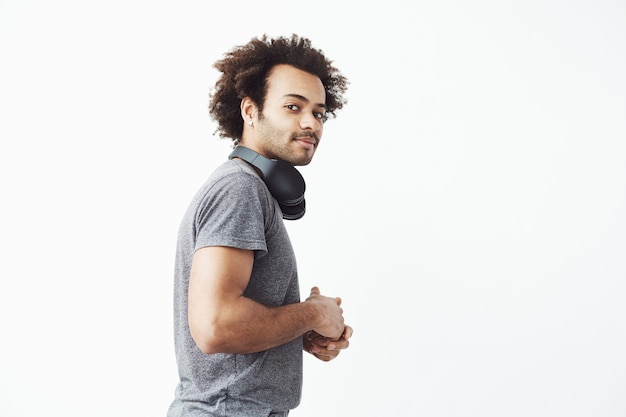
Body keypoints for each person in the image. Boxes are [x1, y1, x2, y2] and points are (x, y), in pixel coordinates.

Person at [167, 34, 353, 417]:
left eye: (318, 112)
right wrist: (313, 313)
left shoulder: (250, 190)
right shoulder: (240, 189)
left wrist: (299, 334)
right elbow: (216, 326)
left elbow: (233, 325)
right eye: (292, 106)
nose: (310, 123)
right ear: (250, 111)